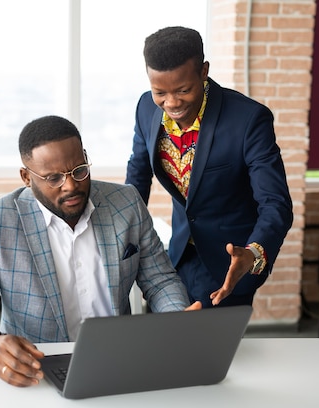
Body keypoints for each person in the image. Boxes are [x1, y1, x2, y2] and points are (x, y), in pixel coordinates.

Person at [0, 115, 201, 388]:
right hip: (37, 372)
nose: (71, 185)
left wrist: (175, 320)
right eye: (53, 178)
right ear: (26, 177)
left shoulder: (126, 203)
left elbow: (160, 281)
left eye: (79, 170)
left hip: (120, 364)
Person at [125, 26, 293, 308]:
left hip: (229, 265)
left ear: (203, 71)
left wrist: (253, 252)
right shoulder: (145, 107)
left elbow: (275, 202)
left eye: (183, 90)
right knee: (163, 342)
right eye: (160, 92)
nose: (172, 103)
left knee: (208, 349)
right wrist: (123, 233)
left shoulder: (248, 119)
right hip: (176, 256)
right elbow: (138, 175)